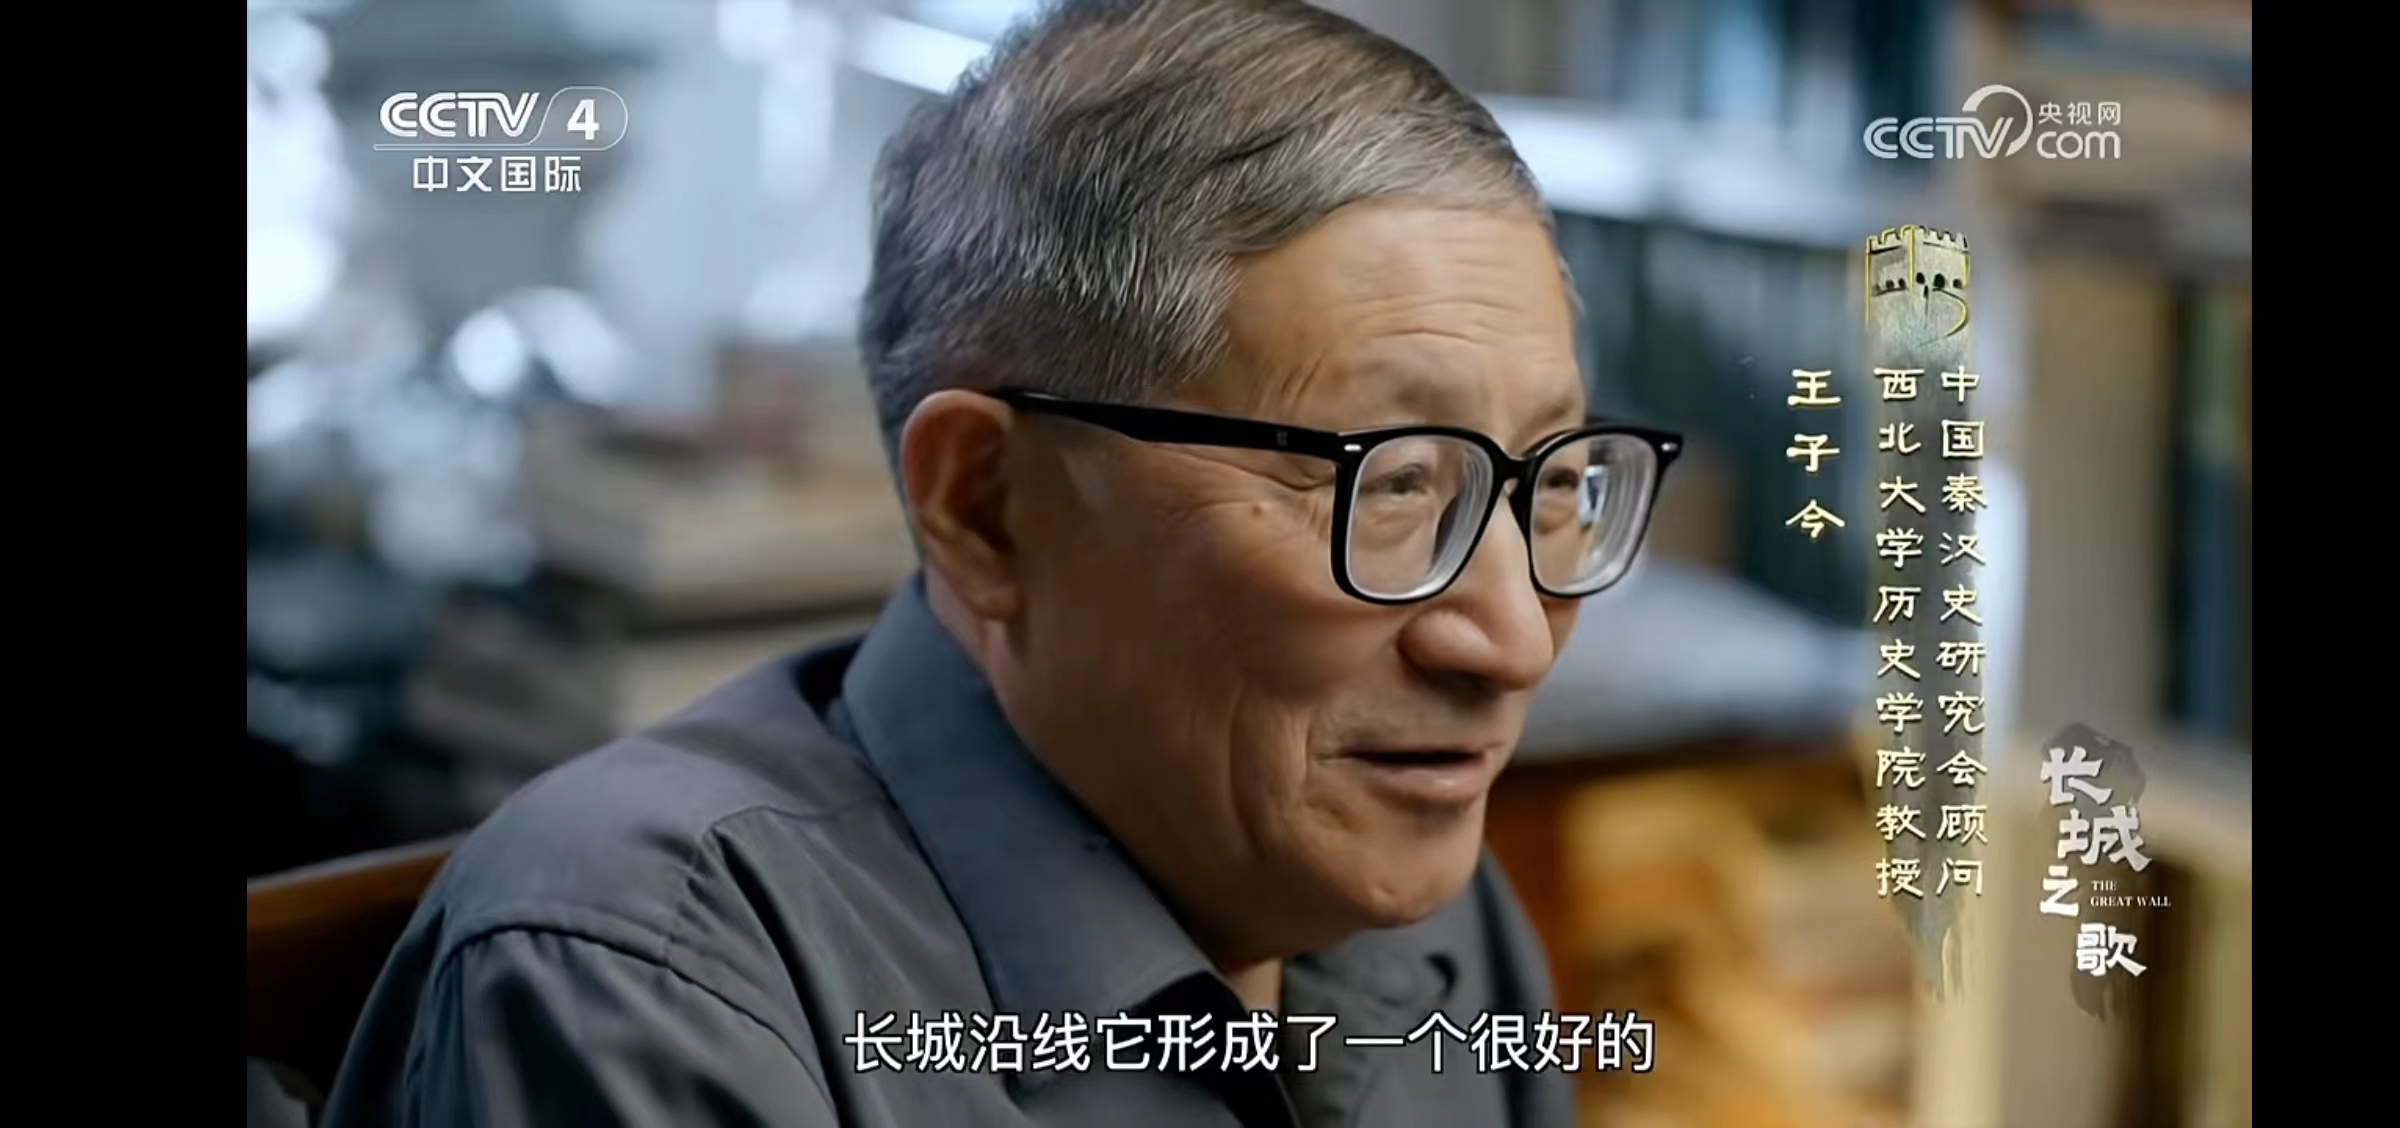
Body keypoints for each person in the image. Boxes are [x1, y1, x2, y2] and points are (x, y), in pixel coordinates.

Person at [321, 1, 1681, 1124]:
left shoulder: (1415, 898)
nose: (1512, 640)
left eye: (1554, 481)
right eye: (1392, 484)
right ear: (986, 508)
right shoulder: (647, 974)